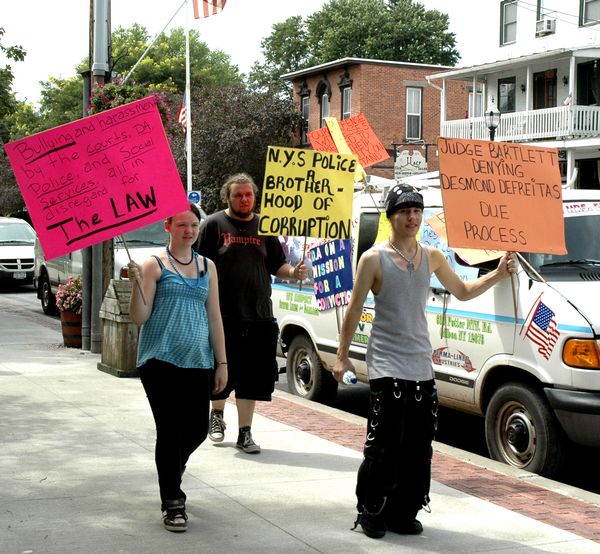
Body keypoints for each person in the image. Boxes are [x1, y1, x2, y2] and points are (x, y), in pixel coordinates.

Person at [332, 184, 516, 539]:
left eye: (416, 211)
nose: (412, 217)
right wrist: (342, 357)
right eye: (404, 211)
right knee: (384, 443)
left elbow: (462, 291)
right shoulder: (373, 259)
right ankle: (371, 510)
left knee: (418, 447)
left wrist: (498, 273)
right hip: (386, 363)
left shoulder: (431, 256)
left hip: (420, 366)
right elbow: (354, 310)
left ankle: (404, 510)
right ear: (392, 217)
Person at [128, 202, 227, 533]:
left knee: (198, 429)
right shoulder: (154, 265)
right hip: (159, 359)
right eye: (182, 224)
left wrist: (221, 362)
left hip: (198, 360)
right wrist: (137, 285)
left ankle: (171, 468)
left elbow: (214, 316)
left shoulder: (207, 266)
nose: (189, 230)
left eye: (194, 225)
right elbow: (139, 318)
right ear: (167, 226)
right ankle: (173, 501)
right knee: (169, 430)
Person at [196, 173, 307, 454]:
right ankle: (217, 415)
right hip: (223, 316)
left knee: (251, 379)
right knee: (221, 371)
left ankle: (245, 432)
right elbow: (198, 266)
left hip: (259, 315)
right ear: (227, 197)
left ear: (254, 196)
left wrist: (294, 273)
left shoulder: (264, 226)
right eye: (238, 195)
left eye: (248, 195)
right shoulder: (212, 224)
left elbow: (277, 265)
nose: (244, 199)